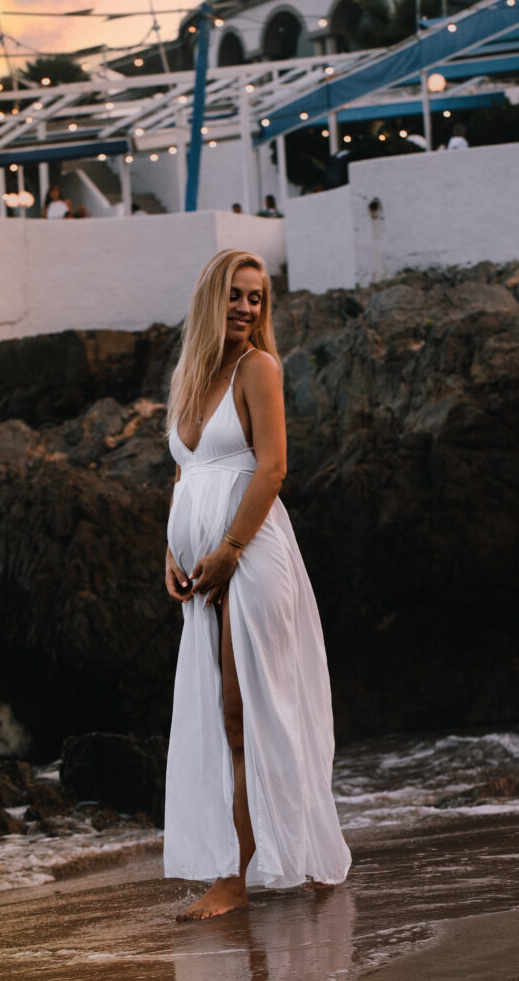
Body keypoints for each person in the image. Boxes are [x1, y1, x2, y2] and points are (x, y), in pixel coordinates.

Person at [164, 249, 351, 921]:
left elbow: (269, 471)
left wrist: (228, 550)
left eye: (257, 298)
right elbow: (187, 476)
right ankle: (289, 853)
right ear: (210, 300)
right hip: (205, 570)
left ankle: (236, 879)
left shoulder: (257, 368)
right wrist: (172, 550)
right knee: (229, 719)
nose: (246, 308)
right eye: (235, 296)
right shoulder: (190, 377)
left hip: (252, 560)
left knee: (247, 717)